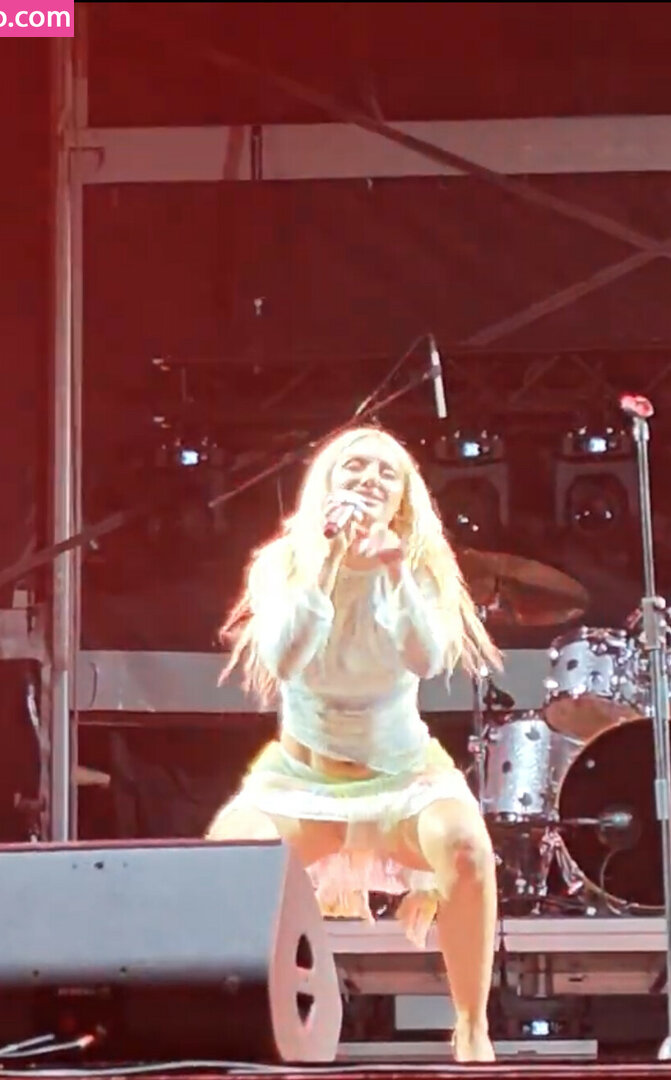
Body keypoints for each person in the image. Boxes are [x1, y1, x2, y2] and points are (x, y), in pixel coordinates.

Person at [207, 425, 503, 1062]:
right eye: (354, 467)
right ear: (327, 483)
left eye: (386, 473)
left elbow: (425, 658)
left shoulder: (418, 566)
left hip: (402, 778)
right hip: (304, 779)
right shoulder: (282, 564)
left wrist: (392, 569)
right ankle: (246, 1029)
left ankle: (472, 1028)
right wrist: (328, 561)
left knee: (466, 849)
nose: (369, 479)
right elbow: (285, 658)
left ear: (402, 499)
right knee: (230, 855)